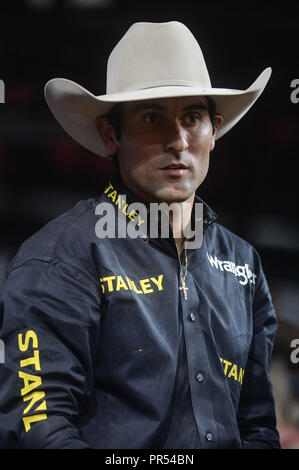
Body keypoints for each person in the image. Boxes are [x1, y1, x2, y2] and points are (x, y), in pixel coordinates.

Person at [0, 21, 280, 449]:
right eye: (153, 117)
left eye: (192, 117)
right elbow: (40, 429)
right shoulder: (61, 259)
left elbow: (258, 426)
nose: (178, 140)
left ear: (214, 131)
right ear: (111, 135)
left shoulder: (243, 264)